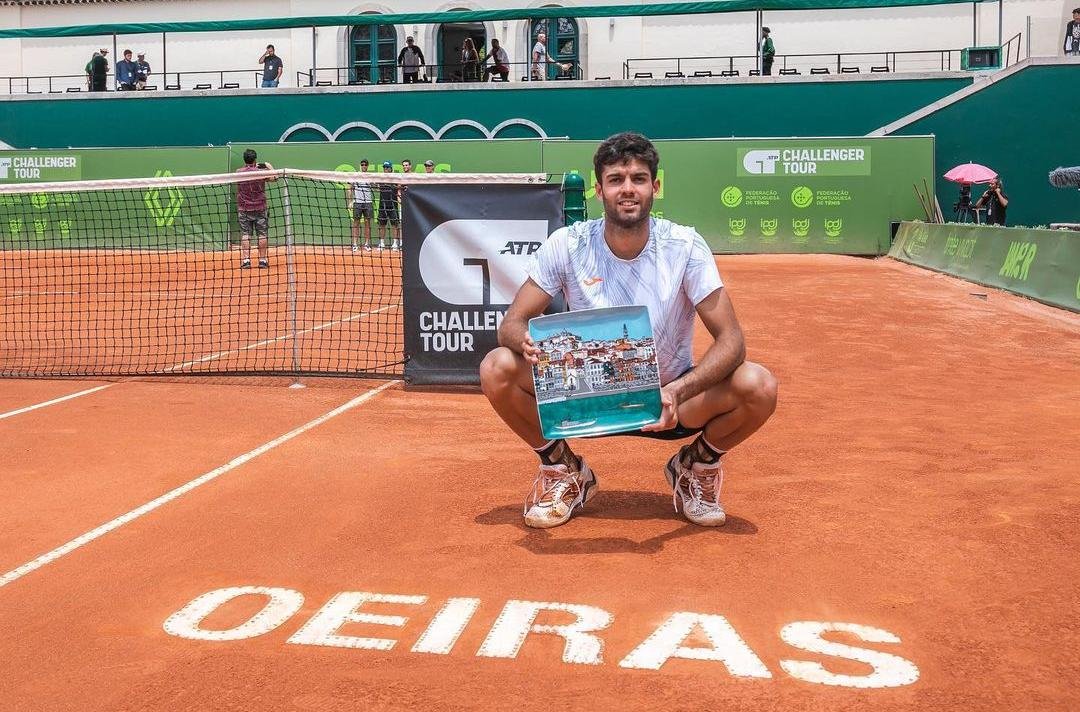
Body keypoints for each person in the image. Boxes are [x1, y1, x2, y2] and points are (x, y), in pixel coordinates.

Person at [479, 132, 778, 529]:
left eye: (638, 178)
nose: (628, 189)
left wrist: (675, 391)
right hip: (582, 402)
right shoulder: (566, 244)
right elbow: (511, 325)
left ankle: (695, 465)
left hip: (667, 402)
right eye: (616, 179)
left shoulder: (685, 246)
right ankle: (564, 470)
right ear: (598, 187)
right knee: (496, 366)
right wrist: (526, 343)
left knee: (759, 385)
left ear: (655, 186)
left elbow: (732, 341)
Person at [235, 149, 277, 268]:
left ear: (244, 159)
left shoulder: (238, 172)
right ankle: (262, 260)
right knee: (262, 234)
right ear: (255, 159)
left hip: (244, 209)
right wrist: (269, 166)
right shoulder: (261, 172)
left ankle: (246, 261)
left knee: (245, 235)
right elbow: (275, 178)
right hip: (260, 208)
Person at [348, 158, 374, 252]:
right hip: (358, 202)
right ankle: (355, 244)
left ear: (367, 166)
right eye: (362, 164)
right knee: (356, 223)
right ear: (360, 165)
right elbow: (350, 188)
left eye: (365, 164)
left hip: (368, 202)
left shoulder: (371, 176)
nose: (364, 166)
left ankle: (366, 244)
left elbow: (375, 187)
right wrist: (350, 201)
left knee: (367, 223)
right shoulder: (355, 176)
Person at [376, 161, 401, 251]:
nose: (386, 169)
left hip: (393, 205)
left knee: (395, 225)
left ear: (391, 168)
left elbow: (399, 189)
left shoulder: (395, 178)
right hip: (382, 205)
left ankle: (395, 244)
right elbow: (376, 187)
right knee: (382, 225)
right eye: (384, 167)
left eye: (387, 167)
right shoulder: (380, 178)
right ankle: (382, 243)